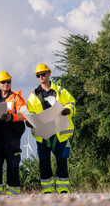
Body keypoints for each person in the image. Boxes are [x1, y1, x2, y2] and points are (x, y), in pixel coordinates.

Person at [26, 63, 75, 194]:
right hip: (43, 133)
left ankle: (62, 188)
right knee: (44, 161)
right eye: (38, 75)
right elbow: (30, 112)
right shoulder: (33, 95)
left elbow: (71, 103)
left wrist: (67, 110)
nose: (41, 77)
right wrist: (29, 122)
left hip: (60, 132)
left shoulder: (60, 91)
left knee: (61, 160)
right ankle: (47, 190)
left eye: (43, 74)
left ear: (49, 74)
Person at [0, 71, 26, 195]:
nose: (6, 84)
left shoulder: (17, 98)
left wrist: (11, 117)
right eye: (3, 82)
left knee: (13, 166)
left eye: (8, 82)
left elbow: (24, 115)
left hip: (12, 138)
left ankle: (13, 192)